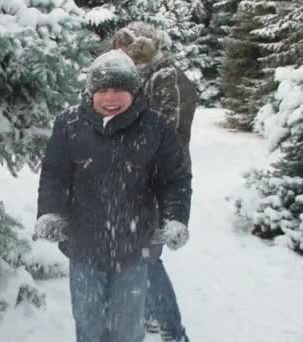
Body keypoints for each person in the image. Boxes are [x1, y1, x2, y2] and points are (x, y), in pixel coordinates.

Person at [34, 50, 192, 342]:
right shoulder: (69, 123)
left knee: (127, 329)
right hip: (83, 248)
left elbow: (175, 180)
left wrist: (175, 218)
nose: (110, 98)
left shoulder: (155, 127)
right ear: (90, 92)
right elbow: (54, 175)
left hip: (134, 250)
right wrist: (51, 212)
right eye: (102, 90)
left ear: (134, 91)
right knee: (89, 326)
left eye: (119, 89)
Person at [112, 21, 198, 342]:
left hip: (158, 184)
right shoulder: (137, 80)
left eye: (125, 48)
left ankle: (173, 333)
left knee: (145, 258)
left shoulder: (168, 79)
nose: (119, 55)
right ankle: (150, 317)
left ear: (142, 47)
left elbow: (165, 136)